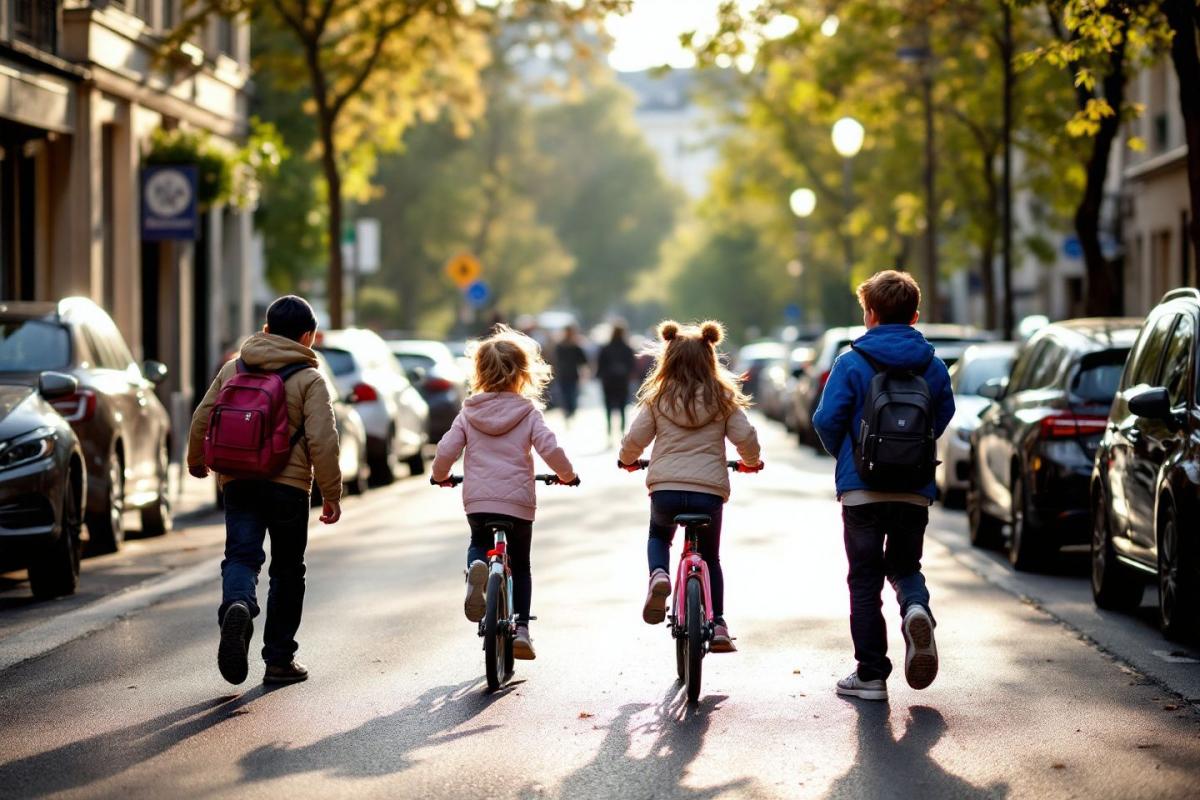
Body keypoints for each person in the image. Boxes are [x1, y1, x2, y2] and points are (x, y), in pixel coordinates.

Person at [812, 270, 955, 701]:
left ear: (869, 315)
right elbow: (942, 415)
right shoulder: (932, 365)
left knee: (864, 580)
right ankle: (915, 608)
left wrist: (849, 456)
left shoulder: (851, 362)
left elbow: (824, 419)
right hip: (913, 488)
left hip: (862, 490)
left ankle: (871, 675)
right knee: (906, 567)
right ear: (915, 316)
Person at [187, 295, 342, 686]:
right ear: (309, 337)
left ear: (267, 329)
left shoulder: (232, 368)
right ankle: (278, 660)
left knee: (241, 557)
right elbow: (323, 439)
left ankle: (238, 604)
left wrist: (195, 459)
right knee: (288, 571)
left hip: (238, 481)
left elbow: (203, 415)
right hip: (288, 488)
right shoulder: (309, 379)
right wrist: (332, 493)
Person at [431, 325, 578, 660]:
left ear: (479, 372)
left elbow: (446, 451)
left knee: (478, 542)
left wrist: (439, 476)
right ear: (523, 373)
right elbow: (550, 449)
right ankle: (523, 629)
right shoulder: (527, 412)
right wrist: (566, 475)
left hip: (479, 500)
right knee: (521, 564)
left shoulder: (469, 411)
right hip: (518, 502)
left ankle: (477, 572)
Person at [618, 320, 761, 652]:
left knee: (659, 535)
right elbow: (746, 438)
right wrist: (750, 462)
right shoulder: (723, 397)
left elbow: (634, 440)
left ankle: (659, 575)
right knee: (710, 557)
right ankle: (720, 623)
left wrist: (627, 459)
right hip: (708, 493)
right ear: (710, 357)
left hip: (666, 490)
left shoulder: (658, 397)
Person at [597, 323, 637, 441]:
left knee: (608, 407)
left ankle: (609, 430)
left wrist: (601, 375)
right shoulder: (627, 348)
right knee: (622, 406)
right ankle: (621, 431)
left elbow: (600, 365)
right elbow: (632, 365)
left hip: (608, 381)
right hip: (622, 381)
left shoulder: (605, 348)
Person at [554, 325, 588, 423]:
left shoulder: (574, 346)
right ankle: (568, 412)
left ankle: (570, 412)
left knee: (571, 395)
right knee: (566, 395)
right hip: (564, 374)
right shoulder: (561, 346)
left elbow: (583, 361)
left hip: (570, 374)